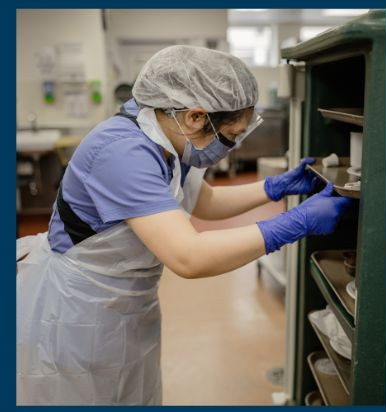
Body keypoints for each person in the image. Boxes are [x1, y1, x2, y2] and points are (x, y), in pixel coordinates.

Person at [15, 45, 354, 405]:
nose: (230, 147)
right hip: (76, 309)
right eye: (230, 136)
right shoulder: (122, 151)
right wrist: (294, 223)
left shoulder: (166, 139)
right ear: (194, 117)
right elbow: (188, 256)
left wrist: (275, 187)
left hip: (125, 305)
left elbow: (203, 201)